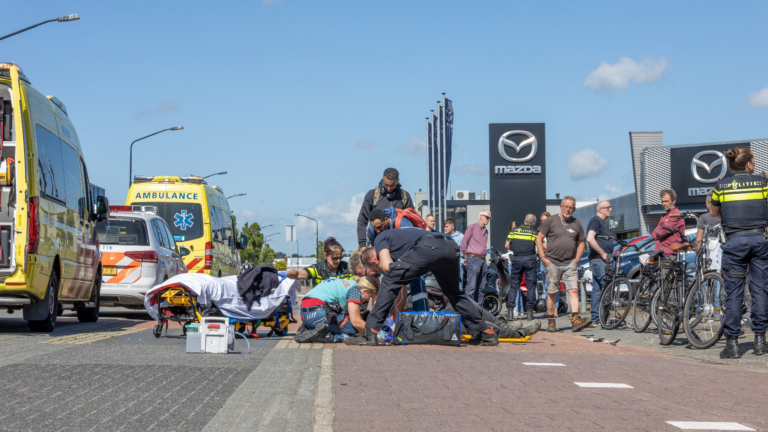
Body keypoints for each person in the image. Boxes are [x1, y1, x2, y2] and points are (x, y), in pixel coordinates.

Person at [358, 228, 498, 346]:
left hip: (429, 246)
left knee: (389, 281)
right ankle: (484, 332)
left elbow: (387, 267)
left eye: (375, 271)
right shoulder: (398, 238)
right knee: (455, 294)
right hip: (450, 246)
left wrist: (389, 272)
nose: (378, 273)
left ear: (373, 261)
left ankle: (371, 330)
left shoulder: (380, 239)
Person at [709, 146, 768, 359]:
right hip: (760, 240)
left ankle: (732, 344)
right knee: (760, 289)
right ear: (750, 164)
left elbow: (713, 212)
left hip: (734, 242)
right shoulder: (763, 183)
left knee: (733, 293)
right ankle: (760, 340)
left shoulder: (721, 186)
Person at [536, 196, 591, 332]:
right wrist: (543, 257)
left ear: (574, 209)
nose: (568, 209)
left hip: (569, 263)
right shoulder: (550, 220)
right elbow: (539, 238)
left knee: (573, 290)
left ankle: (575, 319)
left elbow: (581, 243)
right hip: (552, 262)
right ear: (561, 207)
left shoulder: (577, 223)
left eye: (571, 207)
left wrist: (577, 258)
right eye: (566, 206)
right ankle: (551, 320)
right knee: (552, 292)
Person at [366, 208, 428, 311]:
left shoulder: (402, 223)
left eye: (380, 227)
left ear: (386, 219)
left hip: (416, 253)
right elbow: (374, 249)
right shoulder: (373, 229)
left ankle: (422, 313)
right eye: (375, 228)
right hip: (393, 257)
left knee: (417, 281)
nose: (378, 231)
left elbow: (414, 245)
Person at [300, 276, 379, 341]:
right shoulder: (355, 290)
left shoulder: (348, 283)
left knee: (346, 322)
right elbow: (356, 322)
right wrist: (375, 333)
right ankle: (327, 337)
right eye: (370, 297)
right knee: (355, 330)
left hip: (305, 314)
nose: (367, 300)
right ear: (365, 291)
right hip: (318, 312)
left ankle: (310, 329)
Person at [357, 168, 414, 250]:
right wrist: (362, 245)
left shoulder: (404, 196)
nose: (389, 188)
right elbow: (362, 220)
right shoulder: (372, 195)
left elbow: (411, 218)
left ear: (397, 181)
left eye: (392, 185)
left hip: (400, 243)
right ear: (383, 178)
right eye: (386, 185)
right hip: (376, 241)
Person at [586, 201, 614, 325]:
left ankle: (596, 319)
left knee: (597, 289)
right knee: (605, 288)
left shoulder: (601, 222)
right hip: (599, 260)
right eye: (608, 208)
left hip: (599, 260)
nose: (610, 209)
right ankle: (603, 318)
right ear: (601, 209)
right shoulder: (596, 221)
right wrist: (603, 253)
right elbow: (589, 238)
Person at [507, 214, 539, 322]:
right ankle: (529, 313)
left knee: (514, 285)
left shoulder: (514, 231)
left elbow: (507, 245)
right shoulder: (534, 232)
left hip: (516, 259)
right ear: (533, 223)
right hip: (529, 259)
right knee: (531, 285)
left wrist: (515, 249)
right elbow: (543, 245)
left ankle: (510, 312)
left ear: (524, 221)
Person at [286, 237, 352, 284]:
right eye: (334, 258)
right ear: (325, 255)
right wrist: (287, 274)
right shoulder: (317, 269)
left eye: (340, 257)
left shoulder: (347, 267)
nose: (338, 261)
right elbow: (298, 274)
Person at [462, 210, 491, 305]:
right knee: (471, 286)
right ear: (481, 216)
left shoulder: (486, 231)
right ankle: (468, 309)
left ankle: (478, 309)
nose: (488, 220)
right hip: (473, 258)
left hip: (482, 259)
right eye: (487, 217)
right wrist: (466, 257)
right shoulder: (472, 227)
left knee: (481, 287)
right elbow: (464, 243)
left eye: (489, 218)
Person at [652, 189, 685, 257]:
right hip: (660, 254)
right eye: (662, 202)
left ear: (673, 201)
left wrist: (656, 233)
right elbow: (654, 233)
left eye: (666, 201)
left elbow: (663, 232)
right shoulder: (664, 216)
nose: (664, 204)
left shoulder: (676, 214)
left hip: (670, 255)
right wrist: (656, 234)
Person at [443, 218, 464, 289]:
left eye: (446, 227)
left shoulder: (461, 237)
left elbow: (464, 251)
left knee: (458, 284)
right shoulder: (444, 237)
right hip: (446, 264)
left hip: (457, 264)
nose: (445, 229)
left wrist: (462, 261)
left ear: (452, 226)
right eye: (444, 227)